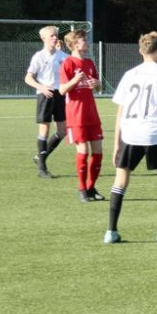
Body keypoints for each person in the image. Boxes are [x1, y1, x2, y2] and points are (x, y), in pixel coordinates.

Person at [104, 32, 157, 244]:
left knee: (120, 182)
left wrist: (116, 144)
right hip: (153, 134)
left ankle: (111, 232)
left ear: (140, 51)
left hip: (129, 133)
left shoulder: (130, 74)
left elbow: (120, 111)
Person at [59, 29, 106, 202]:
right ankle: (82, 189)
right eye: (83, 40)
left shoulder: (89, 63)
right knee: (83, 151)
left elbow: (98, 89)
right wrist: (74, 80)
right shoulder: (68, 63)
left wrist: (97, 83)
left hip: (91, 114)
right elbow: (62, 90)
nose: (87, 42)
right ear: (74, 44)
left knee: (98, 151)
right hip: (76, 115)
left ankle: (91, 188)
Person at [24, 25, 68, 178]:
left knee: (62, 131)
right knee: (44, 130)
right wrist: (41, 87)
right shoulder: (39, 56)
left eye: (56, 35)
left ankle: (40, 157)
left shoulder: (64, 56)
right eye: (52, 36)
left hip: (60, 94)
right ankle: (42, 169)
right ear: (43, 38)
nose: (55, 38)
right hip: (45, 95)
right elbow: (28, 78)